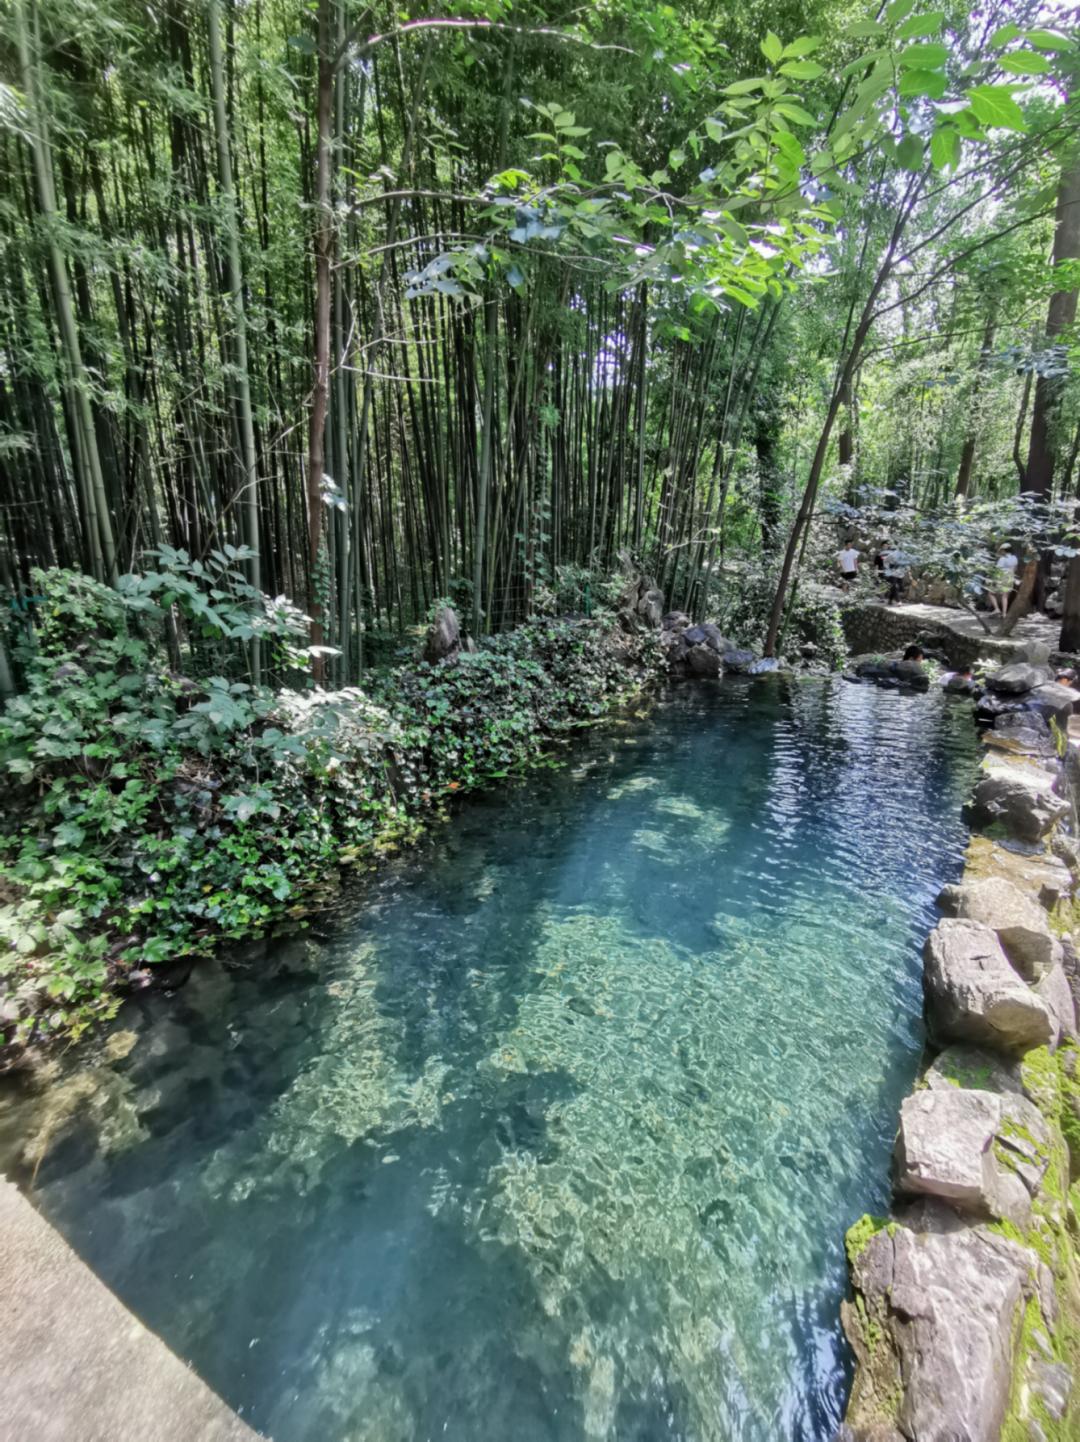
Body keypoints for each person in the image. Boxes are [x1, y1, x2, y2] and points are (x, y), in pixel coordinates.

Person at [991, 545, 1019, 617]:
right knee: (1005, 596)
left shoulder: (1002, 558)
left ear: (1004, 550)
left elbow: (998, 570)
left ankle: (997, 609)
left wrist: (994, 580)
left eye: (1001, 550)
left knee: (990, 593)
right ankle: (1004, 614)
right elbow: (1015, 569)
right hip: (1010, 577)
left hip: (1001, 577)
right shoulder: (1014, 558)